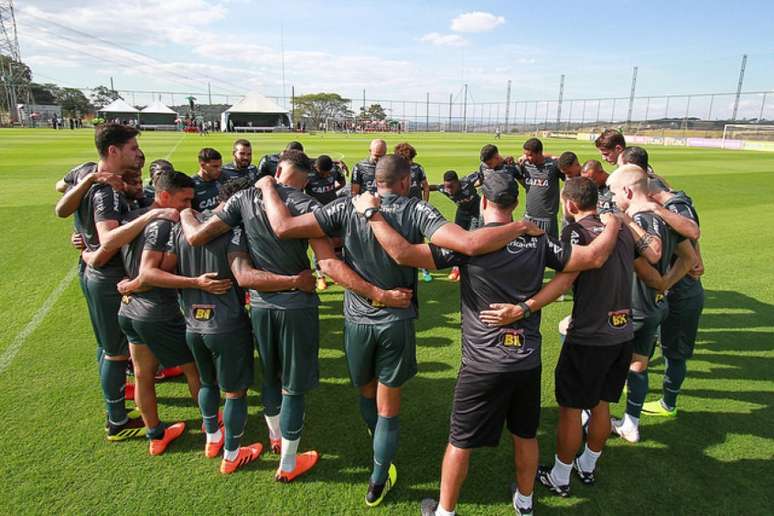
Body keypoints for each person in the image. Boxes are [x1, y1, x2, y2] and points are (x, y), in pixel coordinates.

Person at [256, 155, 544, 507]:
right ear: (407, 182)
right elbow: (467, 244)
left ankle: (376, 449)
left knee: (367, 394)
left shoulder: (346, 206)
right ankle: (378, 479)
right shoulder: (417, 210)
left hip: (358, 320)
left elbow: (283, 228)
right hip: (397, 319)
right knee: (388, 406)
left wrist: (269, 184)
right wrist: (517, 228)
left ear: (374, 180)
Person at [352, 171, 621, 516]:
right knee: (525, 435)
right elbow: (591, 259)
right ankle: (524, 503)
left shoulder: (469, 244)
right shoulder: (538, 240)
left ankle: (445, 511)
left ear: (483, 202)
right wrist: (613, 223)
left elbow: (403, 253)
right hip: (526, 360)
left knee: (460, 441)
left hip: (483, 363)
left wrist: (371, 213)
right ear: (516, 204)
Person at [180, 150, 405, 483]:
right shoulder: (308, 205)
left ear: (279, 168)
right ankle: (287, 463)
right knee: (293, 387)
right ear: (307, 175)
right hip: (296, 306)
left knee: (270, 377)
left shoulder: (243, 197)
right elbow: (327, 257)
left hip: (259, 304)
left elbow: (197, 236)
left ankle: (275, 437)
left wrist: (184, 211)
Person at [142, 178, 315, 473]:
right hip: (225, 324)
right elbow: (244, 275)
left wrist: (191, 281)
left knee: (207, 382)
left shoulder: (184, 228)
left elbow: (161, 270)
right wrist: (294, 281)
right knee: (235, 393)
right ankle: (233, 454)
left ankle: (213, 438)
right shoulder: (234, 232)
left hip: (192, 323)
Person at [57, 124, 177, 441]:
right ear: (114, 151)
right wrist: (151, 216)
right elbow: (108, 238)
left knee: (107, 344)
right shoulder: (105, 190)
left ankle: (116, 407)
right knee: (116, 352)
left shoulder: (88, 173)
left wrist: (87, 183)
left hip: (94, 271)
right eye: (133, 147)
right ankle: (117, 421)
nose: (138, 153)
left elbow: (60, 189)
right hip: (106, 275)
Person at [534, 177, 637, 498]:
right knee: (601, 402)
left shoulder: (575, 231)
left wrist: (527, 306)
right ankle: (588, 466)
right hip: (623, 333)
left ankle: (561, 476)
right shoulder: (620, 230)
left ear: (570, 204)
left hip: (590, 336)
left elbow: (566, 279)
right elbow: (645, 267)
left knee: (571, 408)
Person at [89, 170, 203, 456]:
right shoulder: (166, 225)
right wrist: (195, 282)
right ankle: (212, 425)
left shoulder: (131, 218)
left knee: (142, 375)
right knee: (194, 368)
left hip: (128, 310)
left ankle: (155, 435)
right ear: (164, 196)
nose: (188, 206)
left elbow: (108, 247)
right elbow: (150, 273)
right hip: (157, 311)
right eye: (184, 200)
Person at [606, 165, 696, 443]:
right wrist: (667, 284)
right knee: (638, 365)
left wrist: (660, 282)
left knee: (600, 361)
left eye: (613, 193)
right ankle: (631, 423)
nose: (611, 199)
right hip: (654, 308)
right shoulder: (666, 219)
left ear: (628, 191)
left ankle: (588, 418)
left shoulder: (635, 222)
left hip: (629, 308)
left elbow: (651, 256)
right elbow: (689, 259)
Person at [641, 181, 704, 417]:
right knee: (648, 339)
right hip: (667, 293)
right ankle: (634, 381)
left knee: (674, 352)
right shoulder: (670, 212)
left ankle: (668, 403)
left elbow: (692, 236)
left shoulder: (674, 208)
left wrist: (664, 284)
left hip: (682, 296)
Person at [428, 170, 483, 281]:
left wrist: (480, 183)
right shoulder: (444, 189)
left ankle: (467, 268)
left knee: (470, 240)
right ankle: (456, 267)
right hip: (462, 212)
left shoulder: (467, 181)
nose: (449, 190)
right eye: (447, 186)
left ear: (458, 182)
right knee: (456, 239)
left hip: (476, 213)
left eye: (452, 186)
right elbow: (433, 187)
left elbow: (482, 173)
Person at [513, 138, 565, 239]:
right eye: (525, 154)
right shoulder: (525, 165)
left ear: (540, 152)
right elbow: (522, 180)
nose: (527, 158)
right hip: (528, 218)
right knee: (527, 251)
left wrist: (551, 156)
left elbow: (567, 164)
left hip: (547, 220)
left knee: (548, 251)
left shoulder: (553, 166)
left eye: (530, 155)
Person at [394, 142, 432, 282]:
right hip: (400, 208)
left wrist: (425, 202)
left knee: (419, 237)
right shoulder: (396, 169)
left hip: (416, 208)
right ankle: (402, 264)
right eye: (407, 159)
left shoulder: (418, 168)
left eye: (410, 159)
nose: (409, 162)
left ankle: (423, 267)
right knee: (400, 235)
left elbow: (425, 186)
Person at [191, 148, 223, 212]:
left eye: (220, 166)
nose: (219, 169)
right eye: (215, 166)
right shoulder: (191, 185)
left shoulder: (221, 178)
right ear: (202, 165)